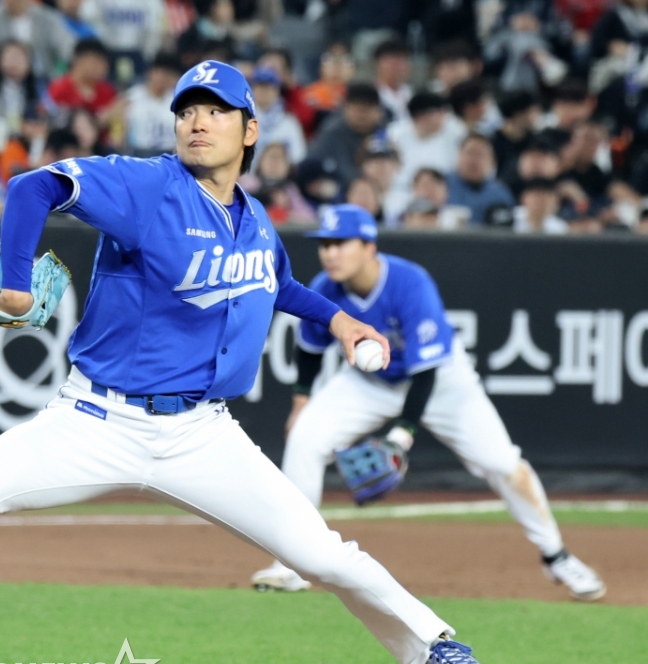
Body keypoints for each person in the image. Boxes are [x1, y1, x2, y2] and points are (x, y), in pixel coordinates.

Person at [0, 60, 496, 664]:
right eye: (187, 110)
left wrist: (338, 320)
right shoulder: (147, 186)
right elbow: (33, 188)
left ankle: (435, 645)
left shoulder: (254, 222)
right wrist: (15, 281)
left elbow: (276, 283)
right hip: (96, 420)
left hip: (203, 434)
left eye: (216, 111)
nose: (197, 121)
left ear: (250, 131)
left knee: (320, 554)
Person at [251, 203, 604, 603]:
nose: (330, 253)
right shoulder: (326, 287)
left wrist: (401, 436)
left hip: (442, 381)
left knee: (502, 463)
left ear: (369, 246)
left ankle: (557, 556)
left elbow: (426, 372)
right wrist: (301, 403)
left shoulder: (408, 282)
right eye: (325, 244)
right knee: (306, 438)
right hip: (369, 381)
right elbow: (310, 349)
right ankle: (294, 562)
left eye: (341, 243)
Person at [306, 82, 384, 188]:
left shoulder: (383, 130)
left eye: (367, 110)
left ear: (379, 112)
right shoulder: (333, 132)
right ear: (345, 109)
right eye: (358, 110)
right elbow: (341, 172)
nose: (362, 117)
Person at [386, 91, 465, 191]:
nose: (444, 118)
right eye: (439, 113)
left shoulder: (452, 132)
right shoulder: (395, 134)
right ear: (422, 116)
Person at [445, 133, 515, 225]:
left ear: (491, 161)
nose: (473, 160)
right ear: (459, 155)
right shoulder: (442, 186)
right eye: (470, 153)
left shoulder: (501, 194)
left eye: (480, 154)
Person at [247, 67, 304, 172]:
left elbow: (298, 157)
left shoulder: (289, 123)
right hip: (245, 178)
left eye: (268, 87)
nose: (263, 91)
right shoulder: (243, 120)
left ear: (277, 91)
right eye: (260, 86)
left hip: (281, 179)